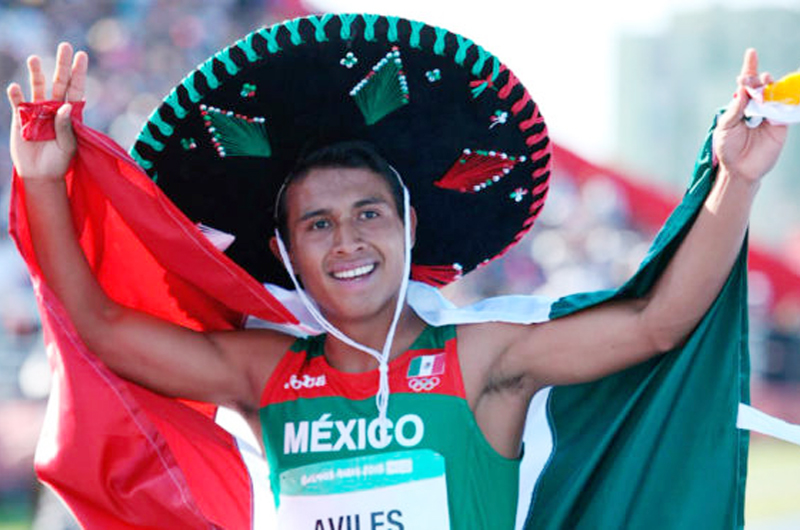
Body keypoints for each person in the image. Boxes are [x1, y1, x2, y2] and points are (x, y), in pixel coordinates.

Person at [6, 16, 788, 530]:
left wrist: (737, 179)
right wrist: (44, 178)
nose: (347, 240)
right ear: (284, 254)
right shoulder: (264, 374)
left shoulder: (481, 358)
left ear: (410, 226)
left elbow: (658, 324)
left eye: (369, 214)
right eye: (317, 224)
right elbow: (101, 329)